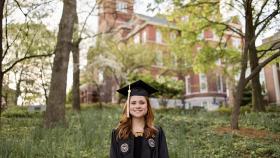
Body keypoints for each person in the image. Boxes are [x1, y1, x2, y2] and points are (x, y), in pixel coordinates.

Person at [110, 80, 169, 158]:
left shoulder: (157, 132)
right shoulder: (118, 133)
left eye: (142, 102)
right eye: (133, 103)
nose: (137, 106)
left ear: (147, 106)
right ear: (128, 106)